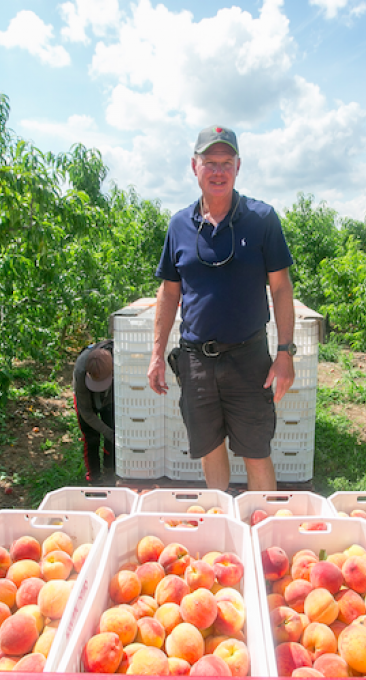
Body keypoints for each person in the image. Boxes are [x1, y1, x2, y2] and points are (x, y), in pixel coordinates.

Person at [147, 125, 297, 492]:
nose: (218, 171)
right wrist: (155, 353)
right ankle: (224, 527)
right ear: (194, 167)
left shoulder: (262, 220)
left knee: (256, 449)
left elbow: (280, 288)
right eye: (209, 163)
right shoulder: (180, 225)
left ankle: (264, 533)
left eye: (226, 163)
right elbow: (169, 293)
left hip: (248, 358)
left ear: (238, 167)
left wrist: (285, 352)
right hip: (196, 361)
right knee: (209, 448)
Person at [73, 339, 116, 483]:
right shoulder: (80, 370)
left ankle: (110, 470)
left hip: (110, 396)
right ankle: (94, 477)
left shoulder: (118, 358)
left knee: (112, 430)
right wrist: (108, 433)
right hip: (86, 397)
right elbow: (86, 412)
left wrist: (111, 433)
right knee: (91, 438)